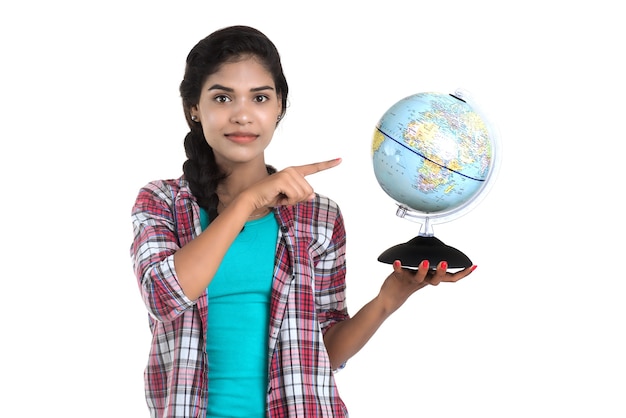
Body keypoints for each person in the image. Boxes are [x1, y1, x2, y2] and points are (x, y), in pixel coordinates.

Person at [130, 25, 476, 418]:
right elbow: (163, 296)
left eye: (259, 97)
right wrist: (247, 202)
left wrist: (388, 299)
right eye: (222, 97)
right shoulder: (162, 202)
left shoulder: (320, 216)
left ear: (279, 107)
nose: (243, 115)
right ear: (194, 107)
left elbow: (322, 353)